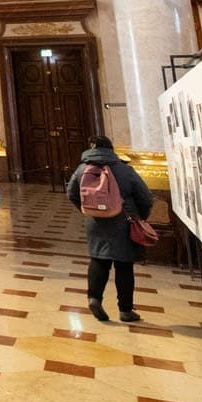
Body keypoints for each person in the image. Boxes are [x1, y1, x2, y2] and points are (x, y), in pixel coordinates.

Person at [67, 136, 155, 322]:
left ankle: (94, 299)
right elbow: (145, 197)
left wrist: (87, 210)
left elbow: (71, 193)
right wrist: (140, 216)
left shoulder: (82, 169)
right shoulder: (124, 169)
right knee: (124, 265)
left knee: (99, 260)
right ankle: (125, 310)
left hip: (95, 222)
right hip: (124, 221)